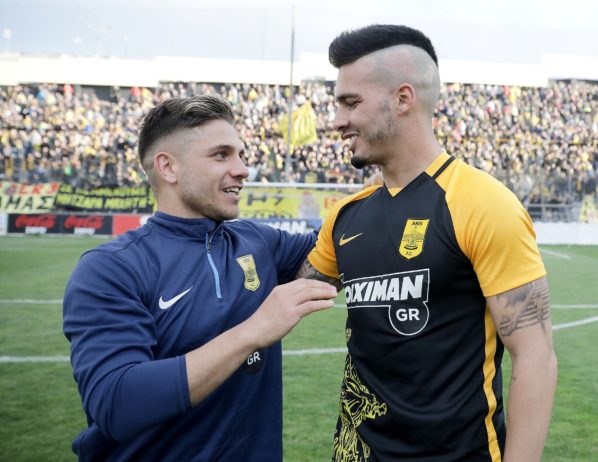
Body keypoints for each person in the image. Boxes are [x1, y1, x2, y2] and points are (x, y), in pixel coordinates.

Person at [297, 25, 558, 461]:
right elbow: (289, 294)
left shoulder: (483, 204)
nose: (337, 120)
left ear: (403, 99)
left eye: (351, 103)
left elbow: (535, 358)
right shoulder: (346, 217)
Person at [62, 94, 338, 461]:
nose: (243, 169)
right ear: (168, 167)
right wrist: (253, 331)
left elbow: (343, 244)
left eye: (241, 155)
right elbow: (116, 403)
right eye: (221, 155)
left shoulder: (258, 241)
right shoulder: (112, 267)